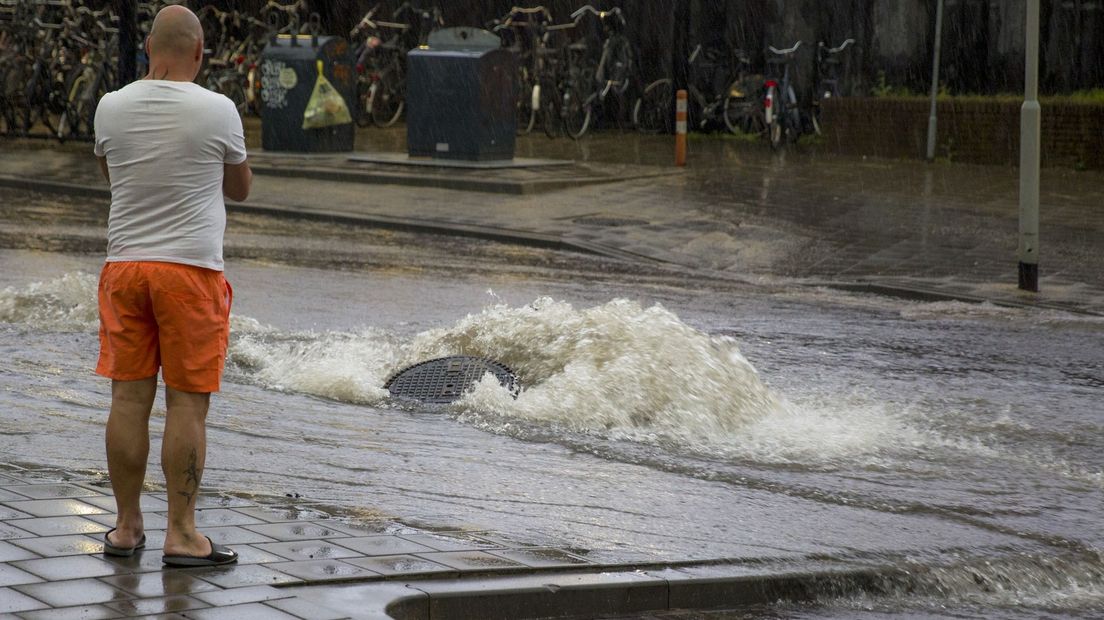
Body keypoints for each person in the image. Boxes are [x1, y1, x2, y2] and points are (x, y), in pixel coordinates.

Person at [93, 4, 252, 567]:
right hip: (191, 273)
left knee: (128, 398)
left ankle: (126, 527)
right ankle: (182, 535)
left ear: (147, 52)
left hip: (126, 268)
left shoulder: (110, 107)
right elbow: (240, 188)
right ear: (199, 53)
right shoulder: (218, 109)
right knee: (187, 406)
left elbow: (114, 177)